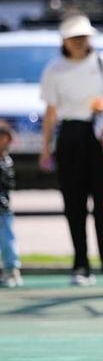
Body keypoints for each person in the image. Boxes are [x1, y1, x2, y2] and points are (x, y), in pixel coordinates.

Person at [39, 13, 103, 286]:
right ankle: (80, 265)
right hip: (70, 135)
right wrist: (46, 149)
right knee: (74, 203)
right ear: (64, 41)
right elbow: (51, 111)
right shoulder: (54, 70)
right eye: (74, 38)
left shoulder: (102, 61)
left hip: (99, 135)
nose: (79, 42)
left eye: (83, 37)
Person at [0, 121, 22, 288]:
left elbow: (8, 184)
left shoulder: (6, 161)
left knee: (7, 239)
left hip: (3, 209)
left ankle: (11, 269)